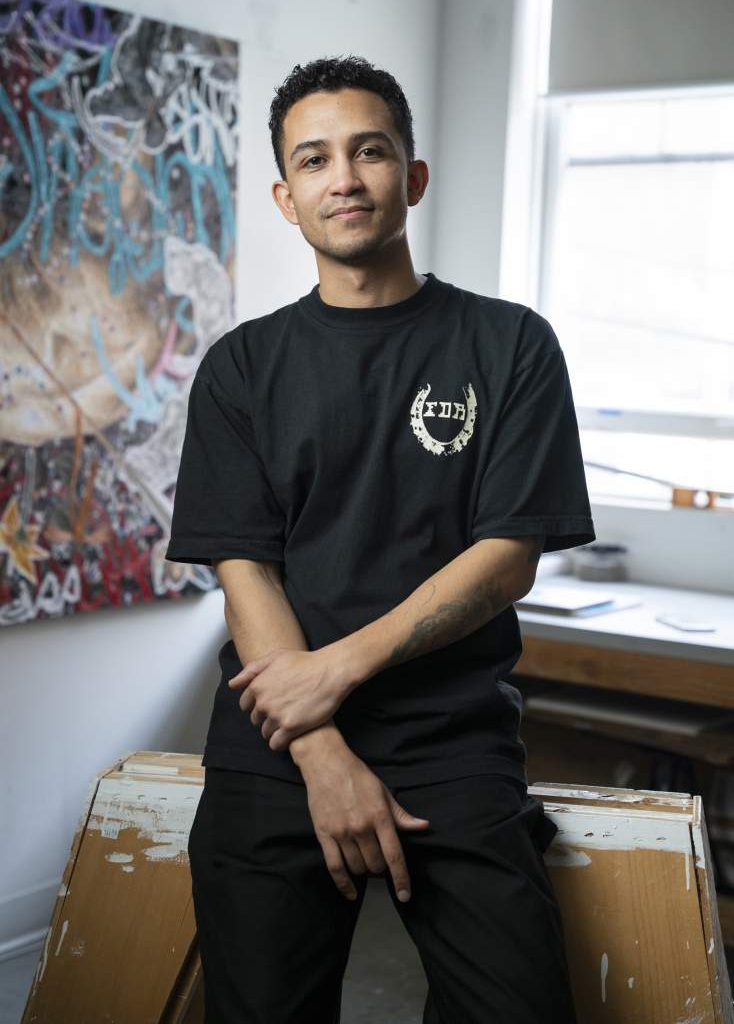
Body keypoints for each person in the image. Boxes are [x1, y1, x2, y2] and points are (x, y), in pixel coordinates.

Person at [166, 53, 596, 1024]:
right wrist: (318, 745)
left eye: (369, 151)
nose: (344, 178)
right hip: (277, 746)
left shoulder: (509, 345)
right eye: (314, 160)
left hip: (453, 742)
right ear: (286, 197)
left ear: (413, 174)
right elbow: (247, 574)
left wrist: (338, 668)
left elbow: (505, 559)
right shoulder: (241, 371)